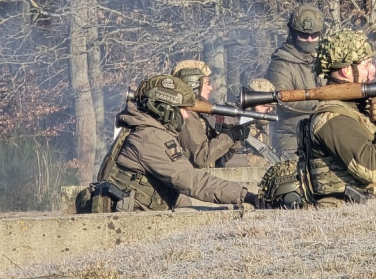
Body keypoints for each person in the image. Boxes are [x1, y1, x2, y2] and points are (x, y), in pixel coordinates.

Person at [81, 74, 261, 212]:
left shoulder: (143, 129)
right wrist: (247, 196)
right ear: (163, 110)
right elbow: (192, 181)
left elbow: (173, 193)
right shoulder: (150, 137)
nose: (185, 115)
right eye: (182, 109)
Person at [300, 29, 376, 206]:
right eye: (367, 64)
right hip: (345, 219)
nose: (374, 70)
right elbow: (369, 168)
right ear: (345, 71)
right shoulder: (331, 117)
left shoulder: (361, 107)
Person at [265, 4, 325, 158]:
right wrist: (324, 102)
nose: (309, 39)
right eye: (304, 35)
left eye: (314, 35)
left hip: (324, 137)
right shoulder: (280, 63)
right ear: (292, 33)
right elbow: (284, 101)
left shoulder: (325, 59)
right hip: (292, 140)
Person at [172, 59, 248, 168]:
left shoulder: (198, 114)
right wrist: (228, 137)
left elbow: (218, 160)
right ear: (193, 84)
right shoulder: (186, 113)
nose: (211, 88)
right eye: (207, 83)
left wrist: (233, 139)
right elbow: (200, 158)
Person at [219, 77, 280, 172]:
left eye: (271, 107)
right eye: (265, 105)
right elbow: (219, 160)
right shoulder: (228, 119)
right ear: (250, 101)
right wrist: (254, 162)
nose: (269, 110)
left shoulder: (258, 128)